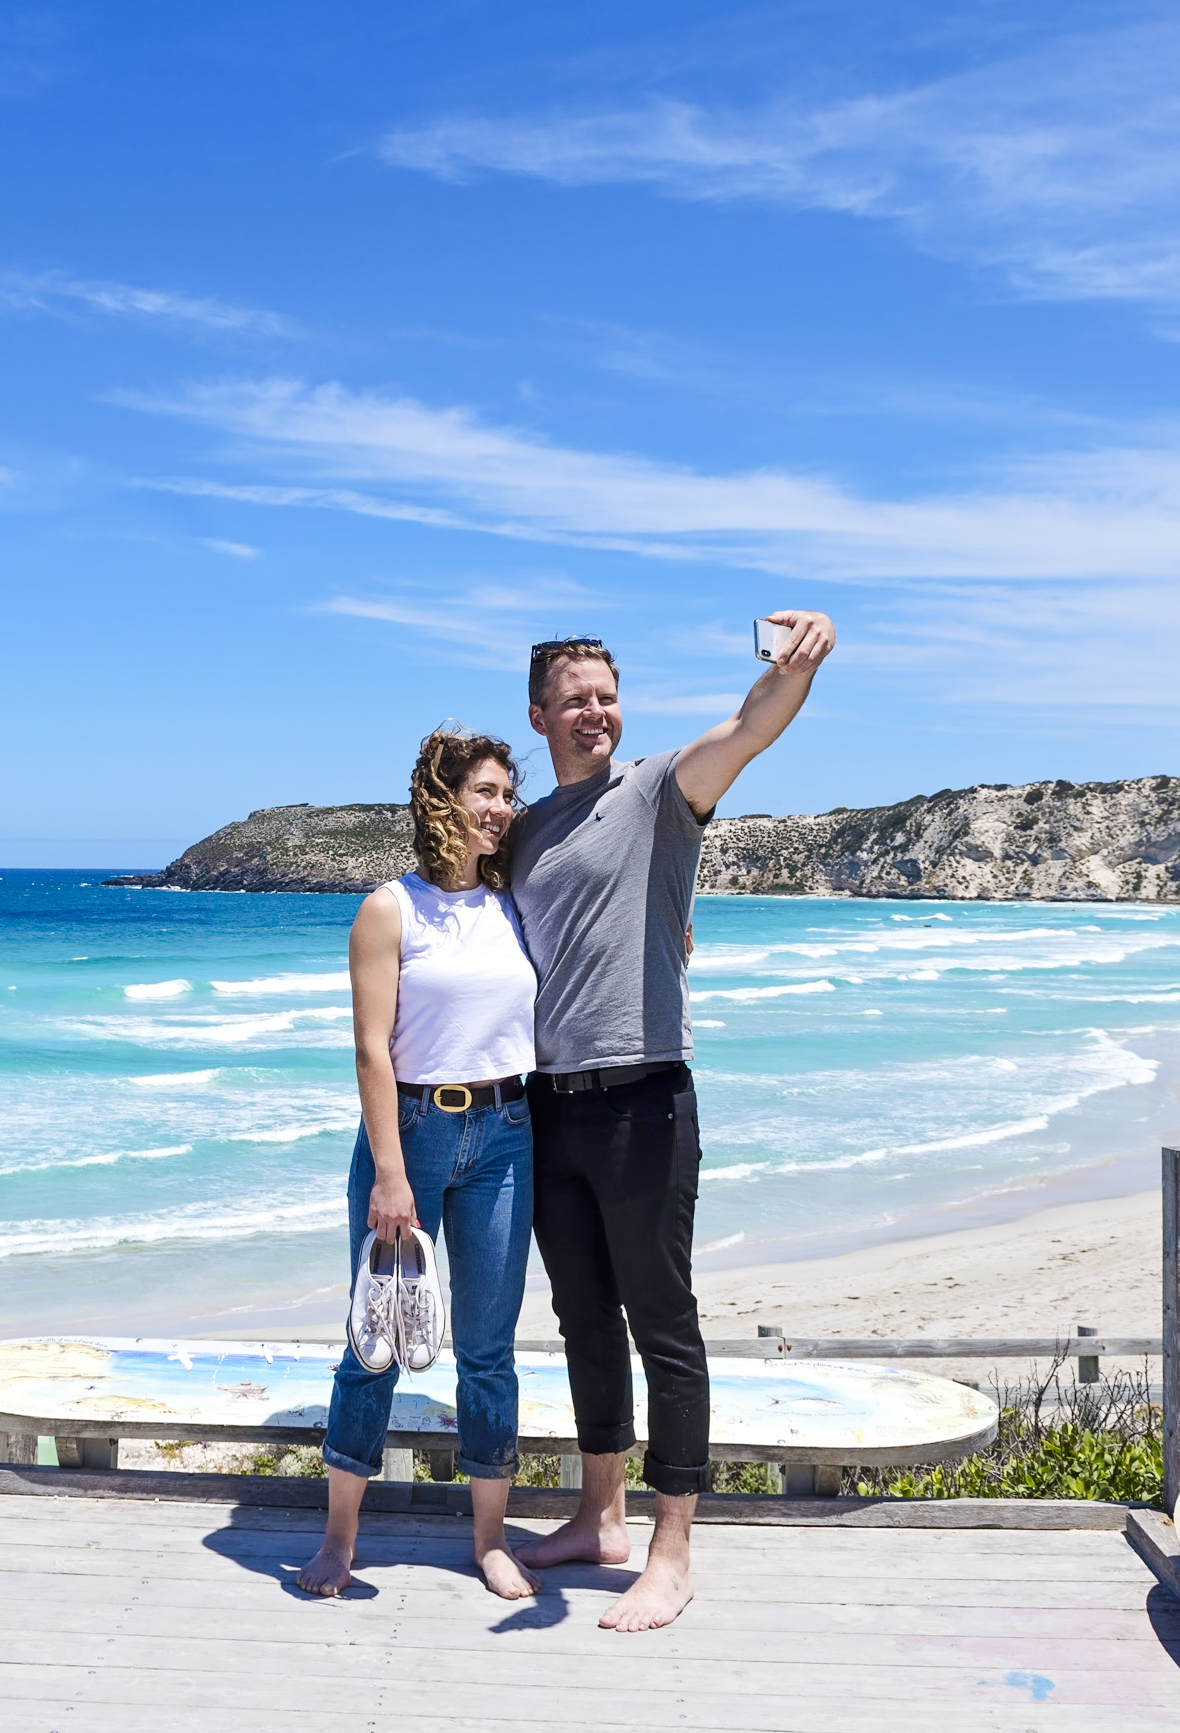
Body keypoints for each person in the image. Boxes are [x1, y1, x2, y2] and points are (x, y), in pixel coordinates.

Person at [508, 612, 836, 1632]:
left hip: (646, 1096)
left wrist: (801, 663)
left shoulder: (657, 789)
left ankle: (672, 1550)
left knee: (663, 1322)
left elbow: (749, 726)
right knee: (581, 1320)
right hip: (550, 1107)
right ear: (539, 716)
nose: (595, 710)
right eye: (575, 698)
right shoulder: (520, 832)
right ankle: (597, 1518)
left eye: (606, 694)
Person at [299, 727, 542, 1602]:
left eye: (508, 793)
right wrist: (392, 1175)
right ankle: (338, 1539)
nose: (502, 807)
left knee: (487, 1348)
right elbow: (371, 1051)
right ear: (443, 798)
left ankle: (489, 1540)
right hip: (409, 1133)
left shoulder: (515, 899)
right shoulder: (388, 909)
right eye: (485, 790)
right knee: (374, 1342)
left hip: (507, 1132)